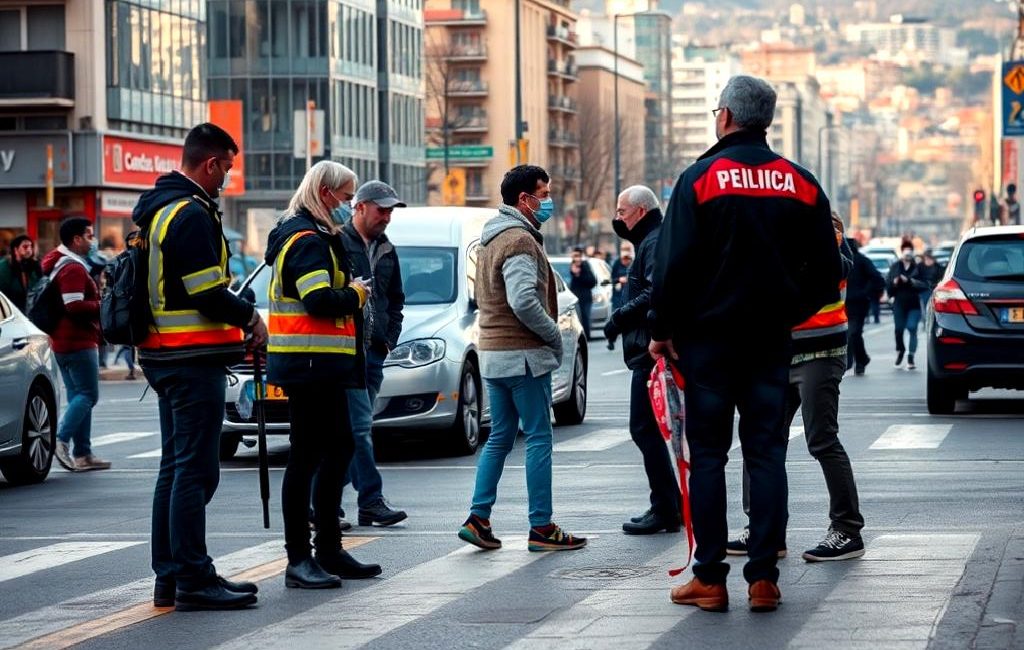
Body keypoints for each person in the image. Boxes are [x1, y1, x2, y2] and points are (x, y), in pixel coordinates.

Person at [650, 75, 841, 613]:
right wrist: (788, 312)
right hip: (769, 343)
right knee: (767, 454)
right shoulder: (801, 184)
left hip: (706, 344)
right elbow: (829, 273)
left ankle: (709, 577)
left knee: (708, 456)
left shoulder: (699, 179)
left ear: (726, 117)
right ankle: (763, 579)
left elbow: (671, 266)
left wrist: (663, 331)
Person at [134, 123, 265, 611]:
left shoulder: (159, 209)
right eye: (227, 168)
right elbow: (205, 292)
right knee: (196, 471)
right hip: (190, 359)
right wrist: (250, 316)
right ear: (210, 163)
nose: (227, 178)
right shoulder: (189, 214)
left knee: (175, 468)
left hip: (162, 355)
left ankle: (171, 576)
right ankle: (192, 576)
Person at [265, 160, 381, 590]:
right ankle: (300, 558)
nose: (348, 205)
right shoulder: (306, 241)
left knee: (338, 448)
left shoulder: (313, 236)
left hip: (321, 366)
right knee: (307, 457)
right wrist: (355, 292)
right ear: (325, 193)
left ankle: (328, 548)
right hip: (308, 366)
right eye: (346, 197)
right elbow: (317, 299)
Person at [458, 165, 586, 553]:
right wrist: (552, 335)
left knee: (498, 437)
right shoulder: (519, 241)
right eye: (543, 194)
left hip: (495, 354)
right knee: (539, 438)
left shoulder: (490, 239)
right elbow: (523, 299)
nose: (548, 201)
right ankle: (542, 527)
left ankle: (478, 518)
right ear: (524, 200)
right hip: (523, 357)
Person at [728, 213, 866, 562]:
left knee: (821, 438)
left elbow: (837, 267)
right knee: (760, 439)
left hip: (820, 352)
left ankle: (847, 529)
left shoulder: (826, 231)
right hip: (779, 354)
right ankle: (764, 529)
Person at [603, 185, 680, 535]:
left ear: (641, 211)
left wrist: (618, 318)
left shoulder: (653, 241)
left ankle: (665, 507)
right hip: (649, 349)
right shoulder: (652, 238)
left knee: (644, 429)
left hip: (651, 352)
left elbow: (655, 292)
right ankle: (670, 504)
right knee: (650, 430)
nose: (618, 219)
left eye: (622, 212)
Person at [338, 180, 408, 527]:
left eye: (390, 210)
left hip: (374, 352)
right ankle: (371, 500)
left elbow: (396, 299)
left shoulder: (386, 248)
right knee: (360, 426)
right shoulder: (337, 242)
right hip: (345, 352)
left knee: (349, 431)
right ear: (360, 206)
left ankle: (322, 501)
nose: (387, 217)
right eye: (382, 209)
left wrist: (388, 338)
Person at [43, 218, 111, 473]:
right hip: (77, 341)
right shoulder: (72, 268)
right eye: (89, 236)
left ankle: (83, 453)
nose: (92, 241)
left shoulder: (61, 263)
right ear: (76, 239)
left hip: (64, 340)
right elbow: (72, 305)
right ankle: (61, 440)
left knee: (77, 395)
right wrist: (101, 305)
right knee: (88, 395)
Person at [844, 237, 885, 375]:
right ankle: (861, 359)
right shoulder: (839, 261)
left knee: (853, 333)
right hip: (843, 305)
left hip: (859, 304)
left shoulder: (861, 260)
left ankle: (857, 361)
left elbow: (877, 279)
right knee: (852, 334)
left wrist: (865, 292)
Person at [887, 239, 926, 370]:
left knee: (912, 327)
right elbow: (889, 286)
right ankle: (901, 350)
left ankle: (911, 357)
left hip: (913, 304)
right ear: (902, 251)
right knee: (898, 329)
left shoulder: (918, 267)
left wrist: (909, 281)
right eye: (905, 249)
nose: (907, 252)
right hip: (899, 303)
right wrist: (894, 282)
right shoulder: (895, 266)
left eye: (910, 249)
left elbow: (924, 284)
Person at [0, 234, 41, 311]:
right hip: (10, 310)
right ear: (16, 249)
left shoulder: (34, 265)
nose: (29, 249)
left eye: (31, 246)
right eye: (25, 247)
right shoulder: (4, 266)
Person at [568, 246, 597, 339]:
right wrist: (574, 273)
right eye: (574, 256)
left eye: (578, 256)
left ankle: (586, 337)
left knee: (585, 317)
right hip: (574, 298)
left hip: (585, 297)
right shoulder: (572, 266)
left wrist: (579, 275)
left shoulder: (585, 266)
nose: (576, 258)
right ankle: (579, 337)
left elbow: (592, 281)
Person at [917, 251, 942, 319]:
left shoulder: (937, 266)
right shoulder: (919, 266)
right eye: (926, 259)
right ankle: (926, 320)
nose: (928, 261)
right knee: (926, 306)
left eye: (929, 259)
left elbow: (941, 277)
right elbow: (916, 277)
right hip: (924, 289)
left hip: (935, 289)